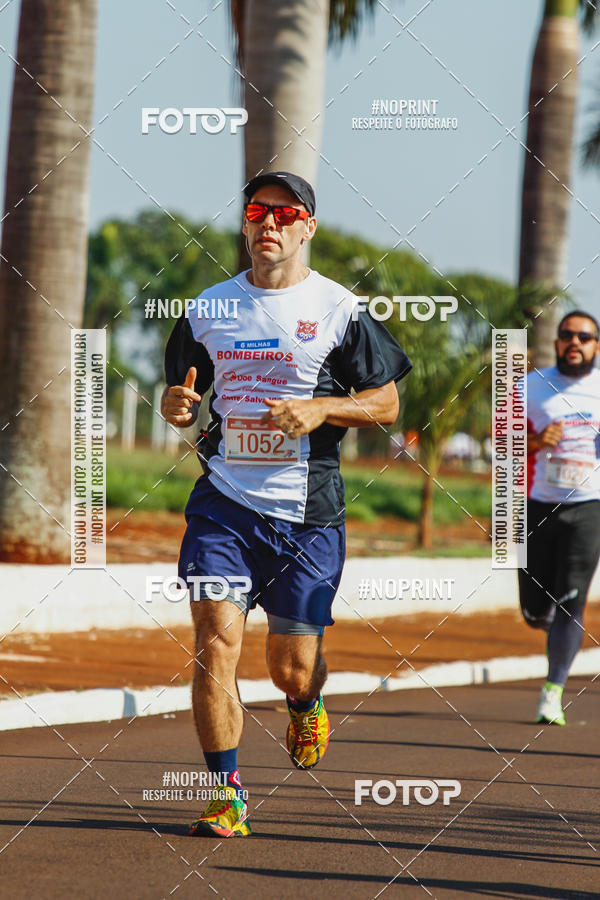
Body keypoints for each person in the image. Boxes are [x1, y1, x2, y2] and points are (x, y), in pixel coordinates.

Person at [161, 171, 411, 837]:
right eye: (256, 211)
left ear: (308, 228)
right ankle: (226, 795)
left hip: (308, 512)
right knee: (215, 643)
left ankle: (306, 703)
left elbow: (386, 403)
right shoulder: (207, 309)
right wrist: (175, 406)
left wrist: (322, 405)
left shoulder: (339, 309)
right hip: (223, 504)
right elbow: (181, 395)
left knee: (290, 668)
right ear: (245, 225)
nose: (268, 222)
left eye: (285, 212)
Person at [519, 310, 600, 725]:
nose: (575, 342)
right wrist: (533, 441)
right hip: (535, 505)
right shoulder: (529, 386)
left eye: (584, 337)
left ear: (596, 346)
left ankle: (553, 690)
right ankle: (543, 615)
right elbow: (500, 442)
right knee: (534, 611)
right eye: (567, 335)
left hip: (589, 507)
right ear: (556, 343)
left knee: (572, 600)